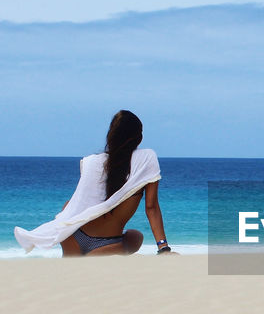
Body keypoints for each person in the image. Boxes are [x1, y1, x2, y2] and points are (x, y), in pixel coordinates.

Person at [14, 110, 173, 256]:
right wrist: (163, 248)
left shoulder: (93, 162)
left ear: (111, 135)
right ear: (138, 137)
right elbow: (151, 207)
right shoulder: (146, 160)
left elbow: (83, 201)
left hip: (73, 234)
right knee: (136, 237)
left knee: (69, 269)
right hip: (108, 244)